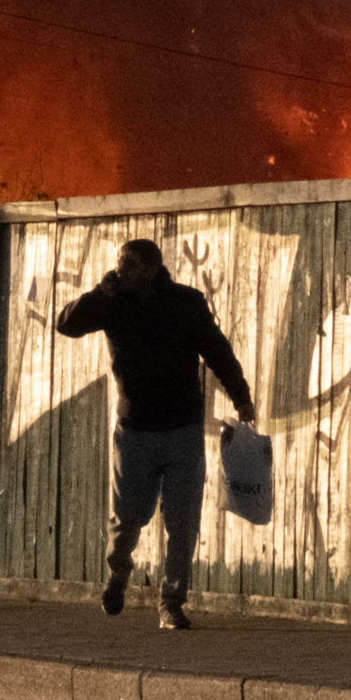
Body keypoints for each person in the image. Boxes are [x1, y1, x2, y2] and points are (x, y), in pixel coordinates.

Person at [54, 238, 256, 631]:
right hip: (134, 433)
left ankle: (172, 603)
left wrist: (241, 398)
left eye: (127, 265)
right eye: (117, 264)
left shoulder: (185, 303)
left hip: (183, 429)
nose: (119, 271)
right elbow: (66, 324)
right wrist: (98, 293)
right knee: (127, 518)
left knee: (182, 523)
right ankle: (118, 572)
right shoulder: (111, 302)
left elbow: (218, 351)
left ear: (150, 269)